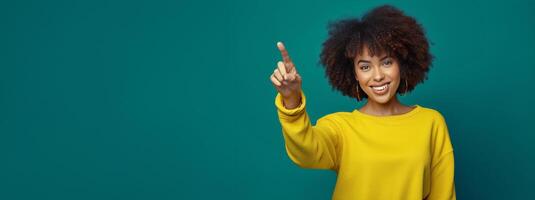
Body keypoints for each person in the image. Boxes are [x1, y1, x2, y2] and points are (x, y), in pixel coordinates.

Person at [269, 5, 456, 200]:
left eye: (386, 62)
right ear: (355, 74)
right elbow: (306, 153)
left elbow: (444, 195)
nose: (377, 76)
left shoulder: (431, 123)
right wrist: (291, 99)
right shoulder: (341, 128)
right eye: (365, 66)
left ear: (402, 64)